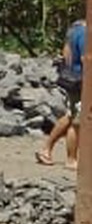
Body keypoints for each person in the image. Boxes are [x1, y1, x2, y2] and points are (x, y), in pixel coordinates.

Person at [37, 17, 85, 166]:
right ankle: (70, 159)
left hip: (72, 78)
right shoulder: (85, 32)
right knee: (76, 120)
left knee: (72, 117)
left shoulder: (75, 30)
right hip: (81, 80)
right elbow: (86, 58)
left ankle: (47, 149)